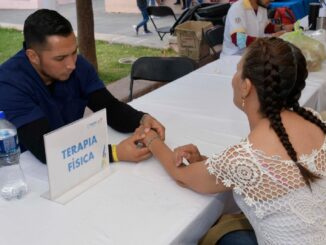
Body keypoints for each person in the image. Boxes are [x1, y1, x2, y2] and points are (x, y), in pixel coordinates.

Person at [139, 37, 326, 244]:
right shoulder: (314, 119)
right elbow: (276, 171)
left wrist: (151, 139)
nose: (233, 78)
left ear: (246, 87)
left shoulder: (247, 158)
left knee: (213, 236)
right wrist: (204, 160)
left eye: (237, 70)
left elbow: (181, 175)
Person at [0, 9, 165, 164]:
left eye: (74, 52)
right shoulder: (9, 83)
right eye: (60, 58)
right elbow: (47, 150)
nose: (72, 64)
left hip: (74, 152)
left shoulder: (79, 65)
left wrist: (142, 119)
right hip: (26, 169)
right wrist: (114, 153)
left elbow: (109, 108)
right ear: (33, 56)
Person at [221, 0, 294, 56]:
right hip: (235, 56)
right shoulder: (237, 8)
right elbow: (239, 40)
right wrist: (268, 39)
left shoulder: (262, 7)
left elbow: (265, 27)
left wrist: (283, 27)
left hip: (255, 51)